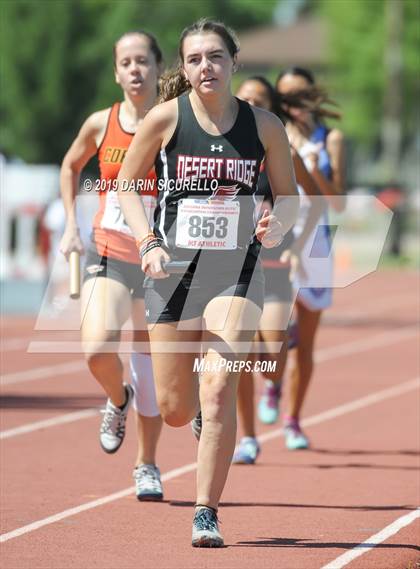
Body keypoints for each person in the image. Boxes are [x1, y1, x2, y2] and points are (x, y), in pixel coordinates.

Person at [117, 19, 299, 547]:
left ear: (234, 62)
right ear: (184, 67)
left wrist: (276, 224)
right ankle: (197, 420)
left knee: (218, 389)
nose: (206, 67)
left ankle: (205, 512)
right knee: (177, 409)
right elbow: (127, 185)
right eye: (195, 59)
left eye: (216, 56)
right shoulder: (165, 117)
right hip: (174, 274)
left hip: (236, 272)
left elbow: (288, 198)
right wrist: (148, 241)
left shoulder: (263, 125)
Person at [60, 31, 164, 500]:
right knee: (97, 348)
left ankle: (147, 465)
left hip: (162, 260)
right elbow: (70, 166)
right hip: (111, 249)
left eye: (143, 60)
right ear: (116, 72)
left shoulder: (177, 125)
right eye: (126, 62)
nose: (135, 70)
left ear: (160, 67)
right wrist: (70, 226)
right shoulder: (102, 123)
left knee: (150, 370)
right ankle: (116, 399)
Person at [232, 76, 323, 464]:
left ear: (269, 107)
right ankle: (248, 438)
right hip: (231, 267)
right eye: (245, 98)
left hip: (274, 265)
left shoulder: (280, 147)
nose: (251, 104)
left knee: (271, 361)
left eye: (259, 100)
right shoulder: (220, 147)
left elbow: (317, 200)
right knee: (235, 355)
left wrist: (299, 248)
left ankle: (273, 380)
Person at [257, 66, 346, 450]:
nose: (292, 106)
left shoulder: (331, 138)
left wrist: (309, 167)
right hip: (280, 237)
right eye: (285, 98)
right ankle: (272, 383)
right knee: (273, 329)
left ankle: (293, 420)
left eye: (298, 97)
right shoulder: (274, 133)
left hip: (317, 243)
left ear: (311, 96)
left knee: (306, 343)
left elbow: (336, 201)